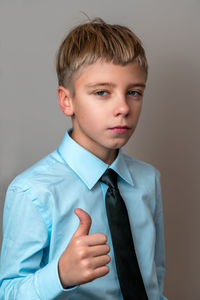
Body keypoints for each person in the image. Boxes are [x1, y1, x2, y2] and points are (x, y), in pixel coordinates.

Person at [0, 18, 167, 299]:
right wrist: (60, 275)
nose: (124, 107)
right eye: (102, 92)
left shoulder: (148, 179)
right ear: (67, 100)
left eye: (134, 92)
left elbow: (154, 276)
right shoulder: (33, 191)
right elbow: (8, 292)